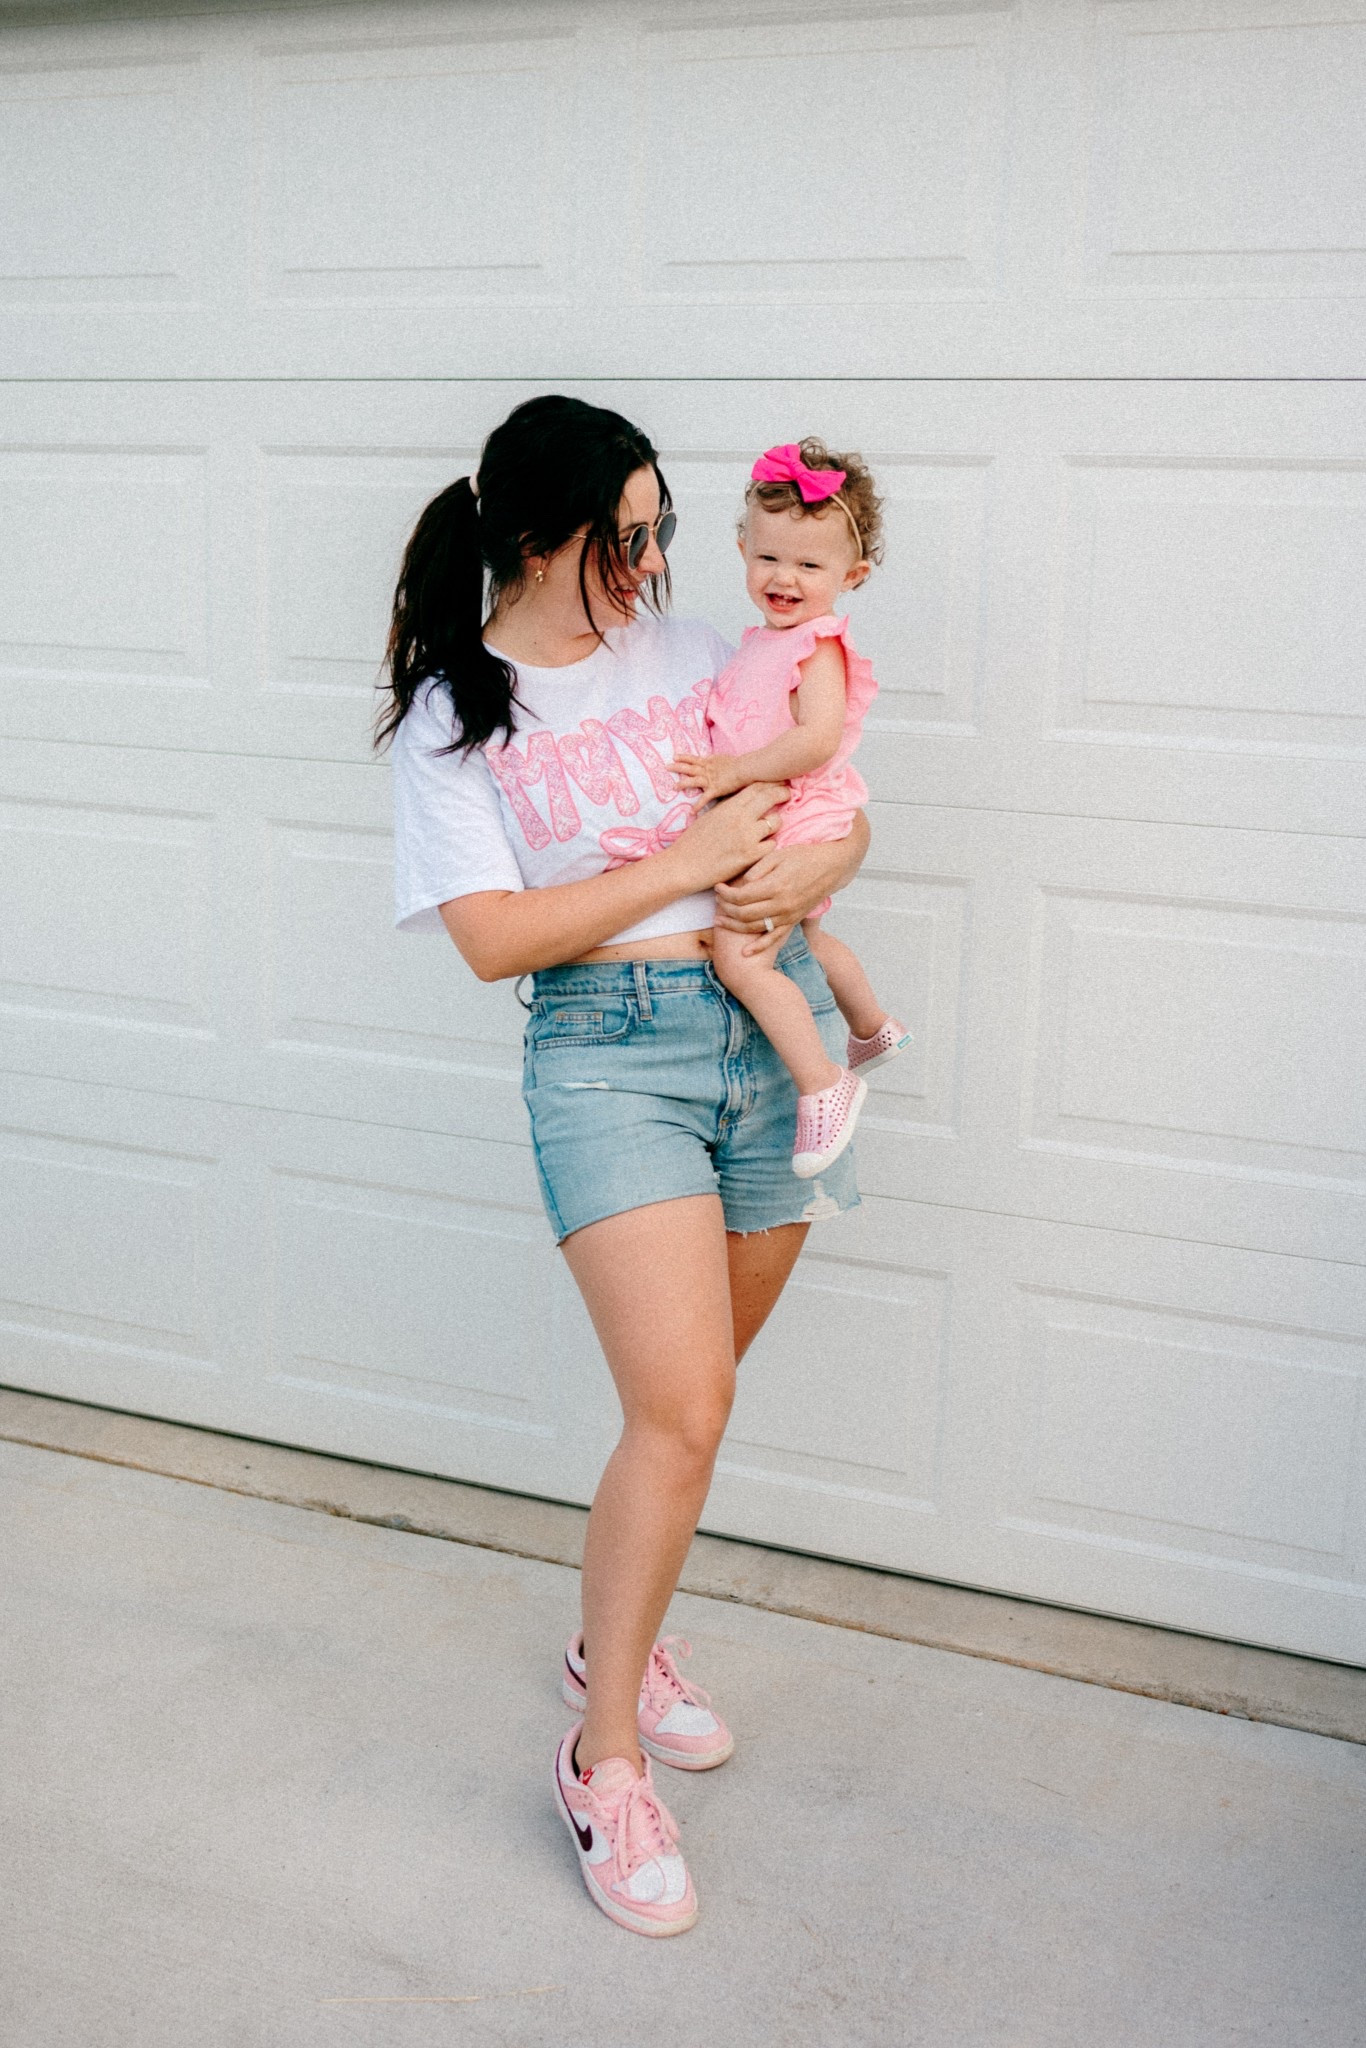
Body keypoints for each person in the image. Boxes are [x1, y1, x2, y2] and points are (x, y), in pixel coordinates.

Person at [380, 395, 870, 1938]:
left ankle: (620, 1639)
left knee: (695, 1403)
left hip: (755, 1022)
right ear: (539, 535)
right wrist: (671, 869)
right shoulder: (458, 714)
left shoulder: (694, 650)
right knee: (683, 1404)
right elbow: (489, 943)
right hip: (602, 1052)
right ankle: (599, 1761)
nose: (656, 566)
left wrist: (819, 867)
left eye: (664, 532)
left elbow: (824, 797)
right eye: (628, 536)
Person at [671, 441, 911, 1179]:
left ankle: (825, 1084)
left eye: (810, 567)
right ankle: (871, 1026)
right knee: (802, 936)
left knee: (743, 960)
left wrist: (732, 772)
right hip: (781, 806)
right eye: (770, 558)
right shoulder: (759, 643)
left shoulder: (820, 645)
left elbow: (816, 739)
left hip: (800, 808)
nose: (785, 578)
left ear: (852, 576)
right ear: (743, 547)